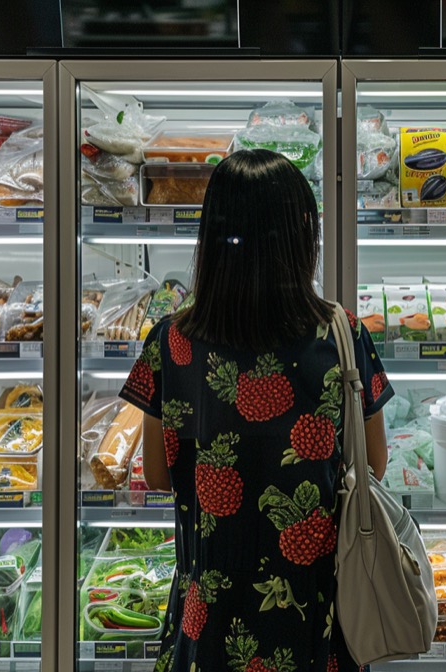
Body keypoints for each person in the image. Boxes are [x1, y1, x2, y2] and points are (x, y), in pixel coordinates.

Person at [120, 149, 392, 672]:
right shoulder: (342, 334)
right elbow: (373, 466)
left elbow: (155, 475)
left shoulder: (171, 340)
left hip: (208, 618)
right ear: (301, 237)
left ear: (212, 239)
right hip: (314, 618)